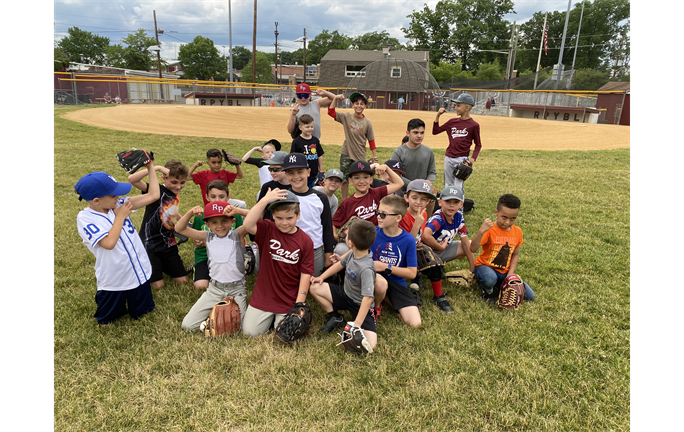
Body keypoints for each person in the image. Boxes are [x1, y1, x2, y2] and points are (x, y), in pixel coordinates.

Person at [75, 160, 160, 324]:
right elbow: (108, 243)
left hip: (137, 270)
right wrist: (120, 216)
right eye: (113, 195)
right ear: (96, 200)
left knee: (143, 311)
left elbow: (153, 195)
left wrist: (150, 167)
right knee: (108, 318)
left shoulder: (119, 204)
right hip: (114, 277)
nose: (119, 197)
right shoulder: (85, 218)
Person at [241, 188, 315, 337]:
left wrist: (299, 303)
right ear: (273, 215)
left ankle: (275, 321)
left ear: (298, 215)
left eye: (289, 218)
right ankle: (267, 319)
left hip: (288, 297)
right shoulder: (268, 228)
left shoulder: (305, 241)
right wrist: (265, 200)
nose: (284, 223)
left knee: (284, 332)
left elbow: (306, 273)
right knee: (249, 333)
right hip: (265, 295)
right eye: (279, 218)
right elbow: (248, 224)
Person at [176, 201, 249, 330]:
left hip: (236, 289)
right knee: (187, 326)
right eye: (214, 222)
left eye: (224, 221)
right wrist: (190, 213)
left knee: (240, 327)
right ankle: (216, 314)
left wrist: (238, 211)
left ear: (232, 222)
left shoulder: (237, 235)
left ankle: (219, 313)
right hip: (215, 289)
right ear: (207, 224)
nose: (220, 226)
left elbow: (257, 219)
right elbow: (179, 229)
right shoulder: (207, 237)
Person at [310, 218, 379, 351]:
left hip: (360, 305)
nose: (345, 236)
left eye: (347, 235)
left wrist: (357, 325)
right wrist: (322, 277)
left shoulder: (366, 268)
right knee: (314, 286)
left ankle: (359, 322)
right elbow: (340, 265)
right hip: (345, 294)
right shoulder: (353, 253)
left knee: (371, 344)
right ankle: (335, 317)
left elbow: (368, 297)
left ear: (350, 242)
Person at [128, 159, 191, 289]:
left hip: (168, 242)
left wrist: (182, 218)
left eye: (182, 183)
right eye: (174, 182)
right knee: (157, 285)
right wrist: (155, 168)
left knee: (183, 280)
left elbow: (170, 209)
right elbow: (132, 179)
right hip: (149, 244)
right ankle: (150, 265)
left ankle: (162, 265)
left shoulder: (175, 193)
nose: (178, 186)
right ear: (164, 178)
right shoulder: (154, 190)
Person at [469, 193, 535, 303]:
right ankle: (488, 291)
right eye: (504, 217)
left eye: (513, 219)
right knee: (489, 279)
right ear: (496, 212)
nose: (507, 222)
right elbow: (473, 249)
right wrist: (481, 231)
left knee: (529, 296)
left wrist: (510, 274)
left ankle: (500, 285)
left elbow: (515, 254)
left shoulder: (517, 231)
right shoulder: (490, 230)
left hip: (504, 272)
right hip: (485, 267)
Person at [332, 160, 404, 257]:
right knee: (340, 249)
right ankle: (343, 269)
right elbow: (334, 223)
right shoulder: (347, 203)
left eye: (366, 177)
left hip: (376, 237)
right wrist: (335, 236)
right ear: (351, 181)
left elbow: (399, 183)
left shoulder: (376, 193)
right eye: (357, 178)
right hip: (357, 240)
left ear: (371, 180)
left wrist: (386, 168)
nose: (362, 181)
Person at [421, 186, 475, 313]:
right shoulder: (438, 219)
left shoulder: (458, 217)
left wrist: (473, 270)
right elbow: (425, 235)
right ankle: (435, 292)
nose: (451, 206)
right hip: (425, 252)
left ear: (461, 204)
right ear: (440, 202)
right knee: (432, 262)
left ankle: (440, 264)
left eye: (455, 202)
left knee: (469, 244)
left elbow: (466, 243)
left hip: (441, 249)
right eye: (447, 202)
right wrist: (440, 247)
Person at [370, 195, 420, 327]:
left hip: (396, 282)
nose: (379, 217)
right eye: (378, 213)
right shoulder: (372, 233)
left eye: (384, 214)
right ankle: (377, 305)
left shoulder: (408, 240)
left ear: (398, 217)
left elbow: (412, 273)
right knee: (380, 283)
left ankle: (386, 297)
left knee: (414, 323)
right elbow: (355, 251)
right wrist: (340, 258)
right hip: (374, 280)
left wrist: (385, 266)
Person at [282, 152, 335, 277]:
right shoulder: (282, 197)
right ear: (286, 175)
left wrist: (328, 254)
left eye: (300, 171)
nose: (296, 176)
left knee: (313, 283)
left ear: (308, 172)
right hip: (288, 250)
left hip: (314, 250)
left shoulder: (320, 197)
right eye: (291, 173)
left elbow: (327, 227)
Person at [186, 180, 246, 290]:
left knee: (231, 281)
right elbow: (195, 241)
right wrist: (200, 243)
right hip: (205, 255)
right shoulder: (201, 216)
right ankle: (197, 268)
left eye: (221, 196)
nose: (217, 200)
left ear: (228, 197)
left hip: (229, 257)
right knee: (201, 286)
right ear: (207, 197)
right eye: (213, 196)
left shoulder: (234, 215)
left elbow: (243, 238)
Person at [324, 91, 378, 200]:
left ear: (365, 106)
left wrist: (374, 156)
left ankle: (363, 199)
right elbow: (331, 112)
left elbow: (371, 140)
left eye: (362, 104)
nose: (359, 106)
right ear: (352, 105)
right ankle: (344, 201)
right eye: (356, 103)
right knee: (344, 179)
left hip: (360, 154)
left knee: (362, 179)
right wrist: (335, 98)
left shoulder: (367, 122)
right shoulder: (346, 117)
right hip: (346, 153)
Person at [433, 93, 482, 193]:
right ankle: (447, 205)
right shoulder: (452, 122)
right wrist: (438, 115)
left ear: (467, 107)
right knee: (448, 184)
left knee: (458, 186)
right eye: (456, 105)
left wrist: (472, 160)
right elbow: (435, 131)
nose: (456, 108)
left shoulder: (474, 125)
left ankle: (459, 208)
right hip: (449, 157)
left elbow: (478, 144)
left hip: (462, 159)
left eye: (458, 106)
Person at [391, 118, 438, 214]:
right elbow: (395, 176)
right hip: (404, 190)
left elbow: (432, 172)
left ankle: (424, 225)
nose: (419, 136)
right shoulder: (398, 152)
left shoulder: (428, 151)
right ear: (407, 133)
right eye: (415, 132)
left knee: (433, 199)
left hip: (423, 189)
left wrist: (429, 181)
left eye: (422, 133)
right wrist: (415, 186)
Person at [399, 179, 436, 292]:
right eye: (414, 198)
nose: (418, 202)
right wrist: (416, 224)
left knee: (433, 260)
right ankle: (414, 275)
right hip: (402, 250)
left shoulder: (423, 213)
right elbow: (405, 243)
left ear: (428, 201)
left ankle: (418, 274)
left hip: (415, 246)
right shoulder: (402, 216)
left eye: (423, 199)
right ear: (407, 198)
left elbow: (420, 237)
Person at [290, 114, 325, 188]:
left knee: (313, 190)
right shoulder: (296, 142)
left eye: (312, 126)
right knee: (302, 189)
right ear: (300, 127)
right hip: (301, 173)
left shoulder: (315, 140)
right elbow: (293, 158)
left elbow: (319, 155)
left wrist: (321, 170)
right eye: (307, 127)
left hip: (314, 173)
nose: (310, 129)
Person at [256, 151, 291, 222]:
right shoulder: (267, 187)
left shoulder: (296, 187)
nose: (272, 173)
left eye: (275, 169)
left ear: (287, 169)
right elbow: (259, 213)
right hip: (270, 227)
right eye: (270, 169)